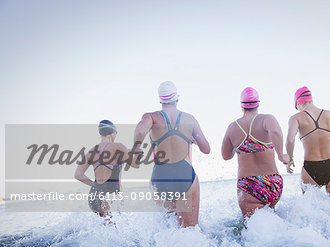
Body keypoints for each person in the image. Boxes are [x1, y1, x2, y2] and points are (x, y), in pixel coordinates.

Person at [134, 81, 210, 227]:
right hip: (184, 174)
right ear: (177, 98)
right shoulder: (189, 119)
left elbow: (140, 129)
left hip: (161, 176)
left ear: (160, 100)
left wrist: (137, 147)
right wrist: (191, 139)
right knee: (189, 230)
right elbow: (206, 149)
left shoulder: (152, 117)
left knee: (168, 230)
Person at [222, 87, 289, 219]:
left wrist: (241, 148)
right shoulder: (267, 119)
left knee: (254, 231)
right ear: (258, 103)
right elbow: (275, 132)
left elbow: (226, 156)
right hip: (272, 182)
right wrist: (282, 156)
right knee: (273, 224)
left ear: (242, 106)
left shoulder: (232, 127)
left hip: (249, 186)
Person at [75, 120, 140, 222]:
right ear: (112, 132)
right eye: (116, 133)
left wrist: (95, 185)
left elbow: (78, 175)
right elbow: (135, 164)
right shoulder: (118, 146)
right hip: (110, 196)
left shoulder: (91, 151)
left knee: (104, 230)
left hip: (94, 197)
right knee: (116, 228)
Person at [286, 86, 330, 196]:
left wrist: (290, 159)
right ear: (311, 100)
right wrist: (325, 141)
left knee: (310, 210)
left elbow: (290, 139)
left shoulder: (296, 118)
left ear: (298, 103)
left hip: (310, 167)